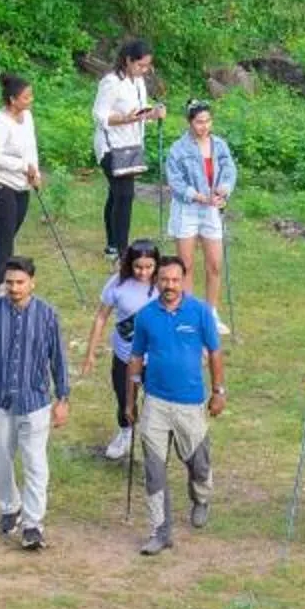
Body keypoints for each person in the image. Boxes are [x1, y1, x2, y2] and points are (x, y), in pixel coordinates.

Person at [122, 252, 226, 556]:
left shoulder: (200, 312)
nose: (170, 284)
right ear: (157, 281)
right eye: (164, 279)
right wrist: (130, 402)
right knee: (154, 468)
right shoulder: (146, 316)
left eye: (175, 279)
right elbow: (136, 359)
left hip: (191, 402)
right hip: (155, 401)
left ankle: (201, 497)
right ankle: (160, 530)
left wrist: (218, 391)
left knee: (198, 462)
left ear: (183, 281)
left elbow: (215, 353)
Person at [0, 256, 70, 550]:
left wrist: (63, 398)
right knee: (1, 459)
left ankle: (33, 524)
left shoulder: (48, 315)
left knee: (35, 462)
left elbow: (58, 359)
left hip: (35, 399)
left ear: (32, 283)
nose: (14, 288)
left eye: (20, 282)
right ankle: (10, 506)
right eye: (9, 282)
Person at [79, 239, 160, 462]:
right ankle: (125, 432)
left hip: (156, 358)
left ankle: (153, 441)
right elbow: (101, 317)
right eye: (138, 267)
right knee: (125, 398)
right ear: (129, 264)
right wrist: (90, 354)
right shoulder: (117, 284)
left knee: (156, 401)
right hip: (125, 355)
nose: (143, 272)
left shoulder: (163, 284)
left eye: (148, 267)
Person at [165, 99, 236, 329]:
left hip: (212, 208)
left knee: (214, 263)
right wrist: (198, 196)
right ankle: (186, 313)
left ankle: (210, 314)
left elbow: (229, 170)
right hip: (188, 208)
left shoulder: (219, 145)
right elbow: (175, 182)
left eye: (207, 121)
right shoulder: (178, 148)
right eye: (199, 122)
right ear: (189, 123)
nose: (204, 126)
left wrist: (223, 190)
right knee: (186, 264)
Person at [91, 40, 164, 260]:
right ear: (128, 60)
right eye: (140, 65)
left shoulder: (138, 82)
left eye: (147, 66)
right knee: (125, 195)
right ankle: (123, 251)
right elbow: (99, 115)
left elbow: (138, 112)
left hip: (132, 145)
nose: (144, 70)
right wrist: (125, 119)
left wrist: (152, 113)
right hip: (111, 146)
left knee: (116, 195)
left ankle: (112, 245)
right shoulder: (111, 82)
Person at [0, 72, 44, 293]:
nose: (30, 100)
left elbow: (31, 148)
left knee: (8, 235)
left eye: (31, 96)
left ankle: (3, 280)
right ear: (12, 100)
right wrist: (24, 167)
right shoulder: (0, 122)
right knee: (3, 237)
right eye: (26, 97)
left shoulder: (28, 118)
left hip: (20, 186)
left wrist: (36, 173)